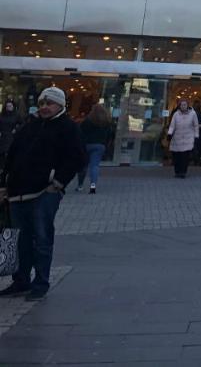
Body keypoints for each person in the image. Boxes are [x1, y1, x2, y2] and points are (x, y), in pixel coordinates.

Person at [0, 87, 85, 300]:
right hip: (18, 192)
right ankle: (21, 280)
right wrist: (4, 183)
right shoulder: (30, 125)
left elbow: (77, 158)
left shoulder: (68, 128)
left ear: (60, 105)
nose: (45, 107)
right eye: (42, 103)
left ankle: (41, 282)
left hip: (44, 192)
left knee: (42, 237)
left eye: (50, 103)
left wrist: (57, 182)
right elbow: (12, 155)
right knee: (21, 239)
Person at [76, 102, 112, 194]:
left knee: (83, 166)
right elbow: (110, 135)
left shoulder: (88, 121)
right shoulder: (106, 122)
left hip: (86, 145)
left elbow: (80, 133)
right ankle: (93, 186)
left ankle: (80, 185)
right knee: (95, 166)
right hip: (100, 146)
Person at [167, 98, 200, 178]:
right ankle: (177, 171)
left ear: (187, 105)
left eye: (185, 105)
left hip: (188, 138)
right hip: (177, 139)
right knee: (176, 156)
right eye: (182, 105)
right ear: (179, 106)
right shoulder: (176, 114)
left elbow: (196, 125)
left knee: (185, 157)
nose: (183, 106)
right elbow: (172, 125)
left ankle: (183, 172)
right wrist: (169, 133)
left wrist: (196, 136)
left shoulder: (192, 114)